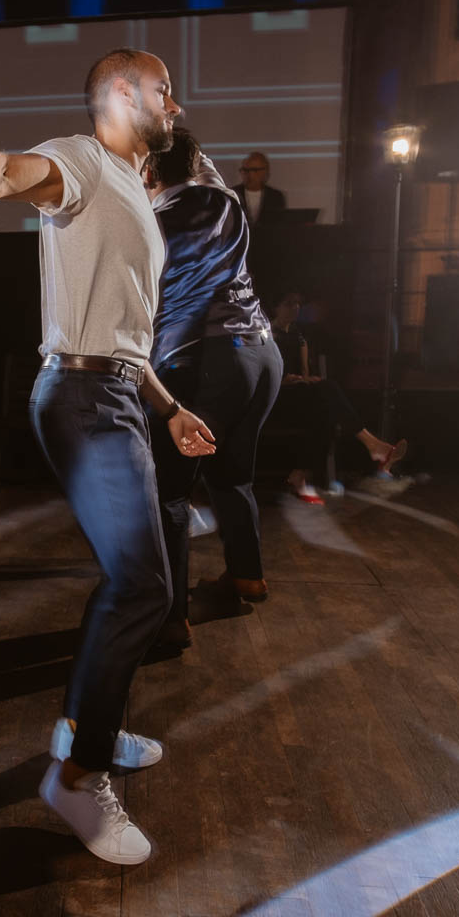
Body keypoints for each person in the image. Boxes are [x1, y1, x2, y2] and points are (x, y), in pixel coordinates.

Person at [0, 47, 213, 866]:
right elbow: (0, 171)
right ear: (123, 93)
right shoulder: (82, 160)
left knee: (147, 583)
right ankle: (78, 774)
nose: (176, 102)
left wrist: (169, 409)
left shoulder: (132, 186)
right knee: (141, 585)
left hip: (118, 392)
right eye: (164, 88)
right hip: (85, 400)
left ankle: (101, 728)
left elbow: (122, 338)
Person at [145, 129, 284, 627]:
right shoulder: (225, 198)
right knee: (232, 475)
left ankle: (171, 617)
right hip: (262, 354)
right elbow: (194, 163)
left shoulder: (153, 220)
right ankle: (247, 576)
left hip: (211, 360)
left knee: (170, 492)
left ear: (149, 171)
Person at [270, 292, 407, 502]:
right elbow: (264, 374)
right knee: (328, 392)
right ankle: (374, 447)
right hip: (275, 397)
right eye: (289, 304)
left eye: (298, 303)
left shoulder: (299, 337)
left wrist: (307, 379)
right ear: (276, 308)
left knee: (327, 413)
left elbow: (304, 372)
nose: (295, 308)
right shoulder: (268, 334)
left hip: (298, 395)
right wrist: (284, 381)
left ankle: (299, 477)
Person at [233, 151, 288, 227]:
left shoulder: (276, 196)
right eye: (246, 170)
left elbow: (280, 224)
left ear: (266, 172)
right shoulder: (232, 194)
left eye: (255, 170)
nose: (250, 175)